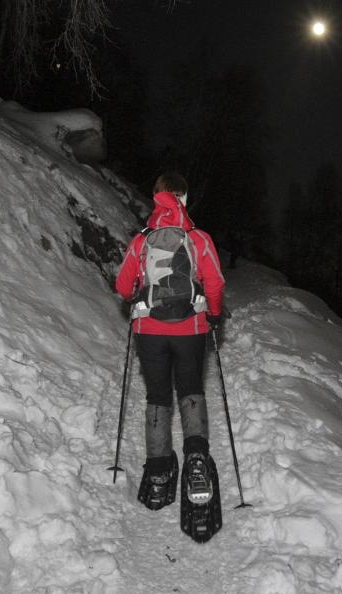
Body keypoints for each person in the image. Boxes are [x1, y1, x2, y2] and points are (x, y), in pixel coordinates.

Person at [115, 172, 225, 514]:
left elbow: (122, 286)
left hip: (149, 331)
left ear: (156, 198)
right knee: (191, 390)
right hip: (191, 329)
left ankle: (160, 472)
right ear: (185, 199)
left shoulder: (141, 240)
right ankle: (195, 461)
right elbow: (216, 283)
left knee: (158, 397)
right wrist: (214, 314)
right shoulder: (198, 238)